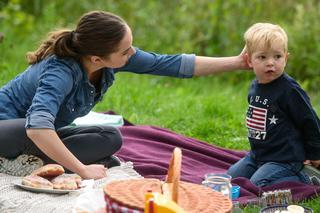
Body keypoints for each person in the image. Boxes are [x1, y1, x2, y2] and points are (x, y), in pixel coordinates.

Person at [0, 11, 248, 180]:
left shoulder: (109, 59)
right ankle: (12, 161)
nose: (132, 54)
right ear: (97, 59)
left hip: (37, 135)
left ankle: (32, 161)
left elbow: (169, 64)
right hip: (9, 128)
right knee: (32, 126)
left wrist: (238, 62)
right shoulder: (60, 72)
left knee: (110, 137)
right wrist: (83, 170)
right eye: (126, 51)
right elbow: (38, 129)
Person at [227, 23, 320, 187]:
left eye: (277, 57)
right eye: (262, 57)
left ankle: (306, 179)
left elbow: (309, 120)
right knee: (230, 178)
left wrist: (315, 153)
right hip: (258, 155)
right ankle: (262, 170)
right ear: (249, 60)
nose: (270, 63)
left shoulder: (289, 90)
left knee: (258, 184)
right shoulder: (255, 86)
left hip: (284, 158)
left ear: (286, 58)